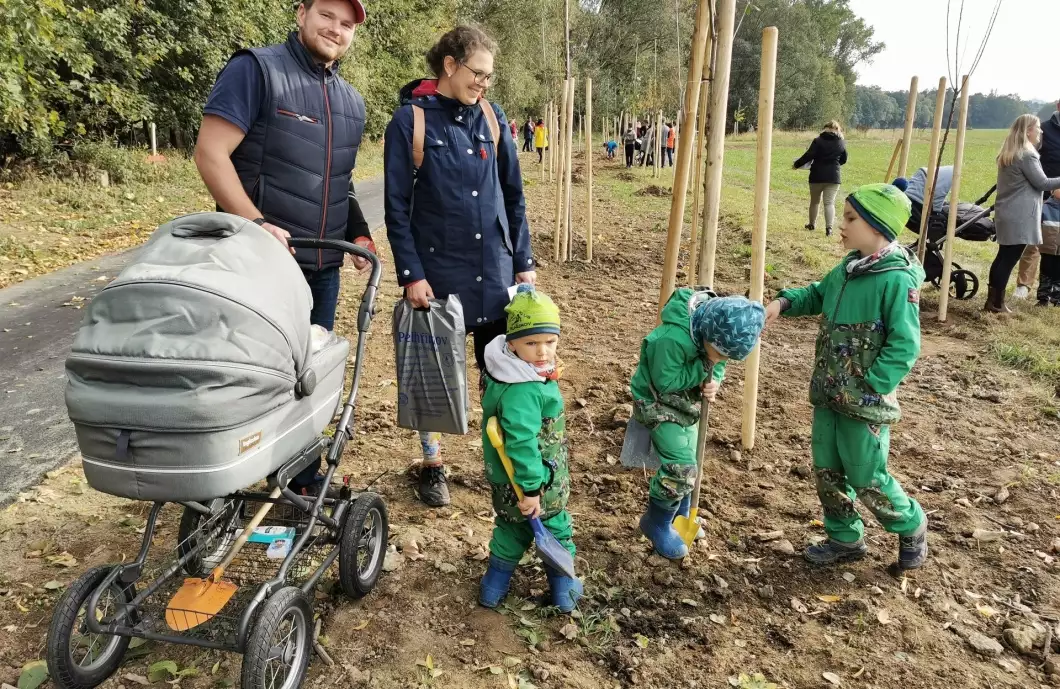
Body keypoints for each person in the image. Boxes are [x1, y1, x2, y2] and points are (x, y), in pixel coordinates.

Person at [193, 0, 375, 496]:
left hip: (323, 265)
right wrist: (256, 224)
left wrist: (359, 232)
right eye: (326, 15)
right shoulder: (256, 69)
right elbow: (210, 153)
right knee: (247, 376)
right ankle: (225, 482)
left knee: (308, 377)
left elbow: (339, 180)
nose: (335, 29)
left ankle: (301, 481)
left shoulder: (351, 101)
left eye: (346, 23)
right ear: (301, 13)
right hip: (257, 263)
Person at [384, 25, 535, 507]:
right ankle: (432, 464)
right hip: (438, 275)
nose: (484, 84)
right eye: (478, 73)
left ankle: (505, 461)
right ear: (450, 65)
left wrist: (523, 261)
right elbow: (395, 207)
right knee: (434, 376)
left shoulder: (492, 117)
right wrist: (411, 274)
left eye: (490, 77)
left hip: (494, 271)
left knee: (502, 373)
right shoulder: (410, 122)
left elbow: (513, 195)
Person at [765, 183, 928, 570]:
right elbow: (817, 294)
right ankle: (844, 538)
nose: (842, 224)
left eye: (851, 218)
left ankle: (911, 524)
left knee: (866, 474)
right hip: (829, 394)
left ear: (878, 226)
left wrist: (873, 383)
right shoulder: (847, 269)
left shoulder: (896, 279)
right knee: (827, 469)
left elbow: (905, 343)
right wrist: (783, 302)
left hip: (864, 402)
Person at [630, 290, 765, 560]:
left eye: (727, 357)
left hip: (685, 403)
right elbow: (666, 382)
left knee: (690, 460)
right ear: (707, 335)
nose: (721, 360)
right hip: (657, 403)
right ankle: (656, 522)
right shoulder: (671, 340)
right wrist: (704, 366)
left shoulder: (712, 335)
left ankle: (679, 514)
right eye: (719, 354)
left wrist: (714, 380)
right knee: (681, 467)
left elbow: (717, 364)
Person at [478, 285, 580, 612]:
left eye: (550, 341)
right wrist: (532, 489)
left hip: (506, 480)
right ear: (512, 344)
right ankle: (565, 593)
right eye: (531, 343)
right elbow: (522, 443)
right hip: (535, 482)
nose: (542, 352)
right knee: (556, 528)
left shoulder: (509, 370)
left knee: (510, 531)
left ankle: (492, 589)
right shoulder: (522, 390)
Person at [986, 114, 1060, 314]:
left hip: (1007, 212)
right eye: (1038, 128)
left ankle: (993, 301)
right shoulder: (1027, 155)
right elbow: (1043, 183)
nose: (1041, 131)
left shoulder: (1012, 152)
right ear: (1028, 131)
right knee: (1008, 260)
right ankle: (997, 304)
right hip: (1020, 215)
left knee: (1002, 257)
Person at [1016, 101, 1060, 299]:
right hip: (1043, 193)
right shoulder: (1044, 130)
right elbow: (1031, 159)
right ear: (1058, 106)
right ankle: (1024, 285)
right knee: (1034, 240)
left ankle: (1055, 290)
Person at [793, 120, 848, 236]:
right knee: (829, 203)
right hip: (833, 177)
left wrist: (796, 164)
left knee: (814, 202)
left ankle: (812, 224)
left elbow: (809, 155)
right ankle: (829, 228)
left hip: (816, 175)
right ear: (838, 130)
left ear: (825, 129)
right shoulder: (841, 142)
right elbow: (844, 159)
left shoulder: (818, 140)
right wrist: (835, 166)